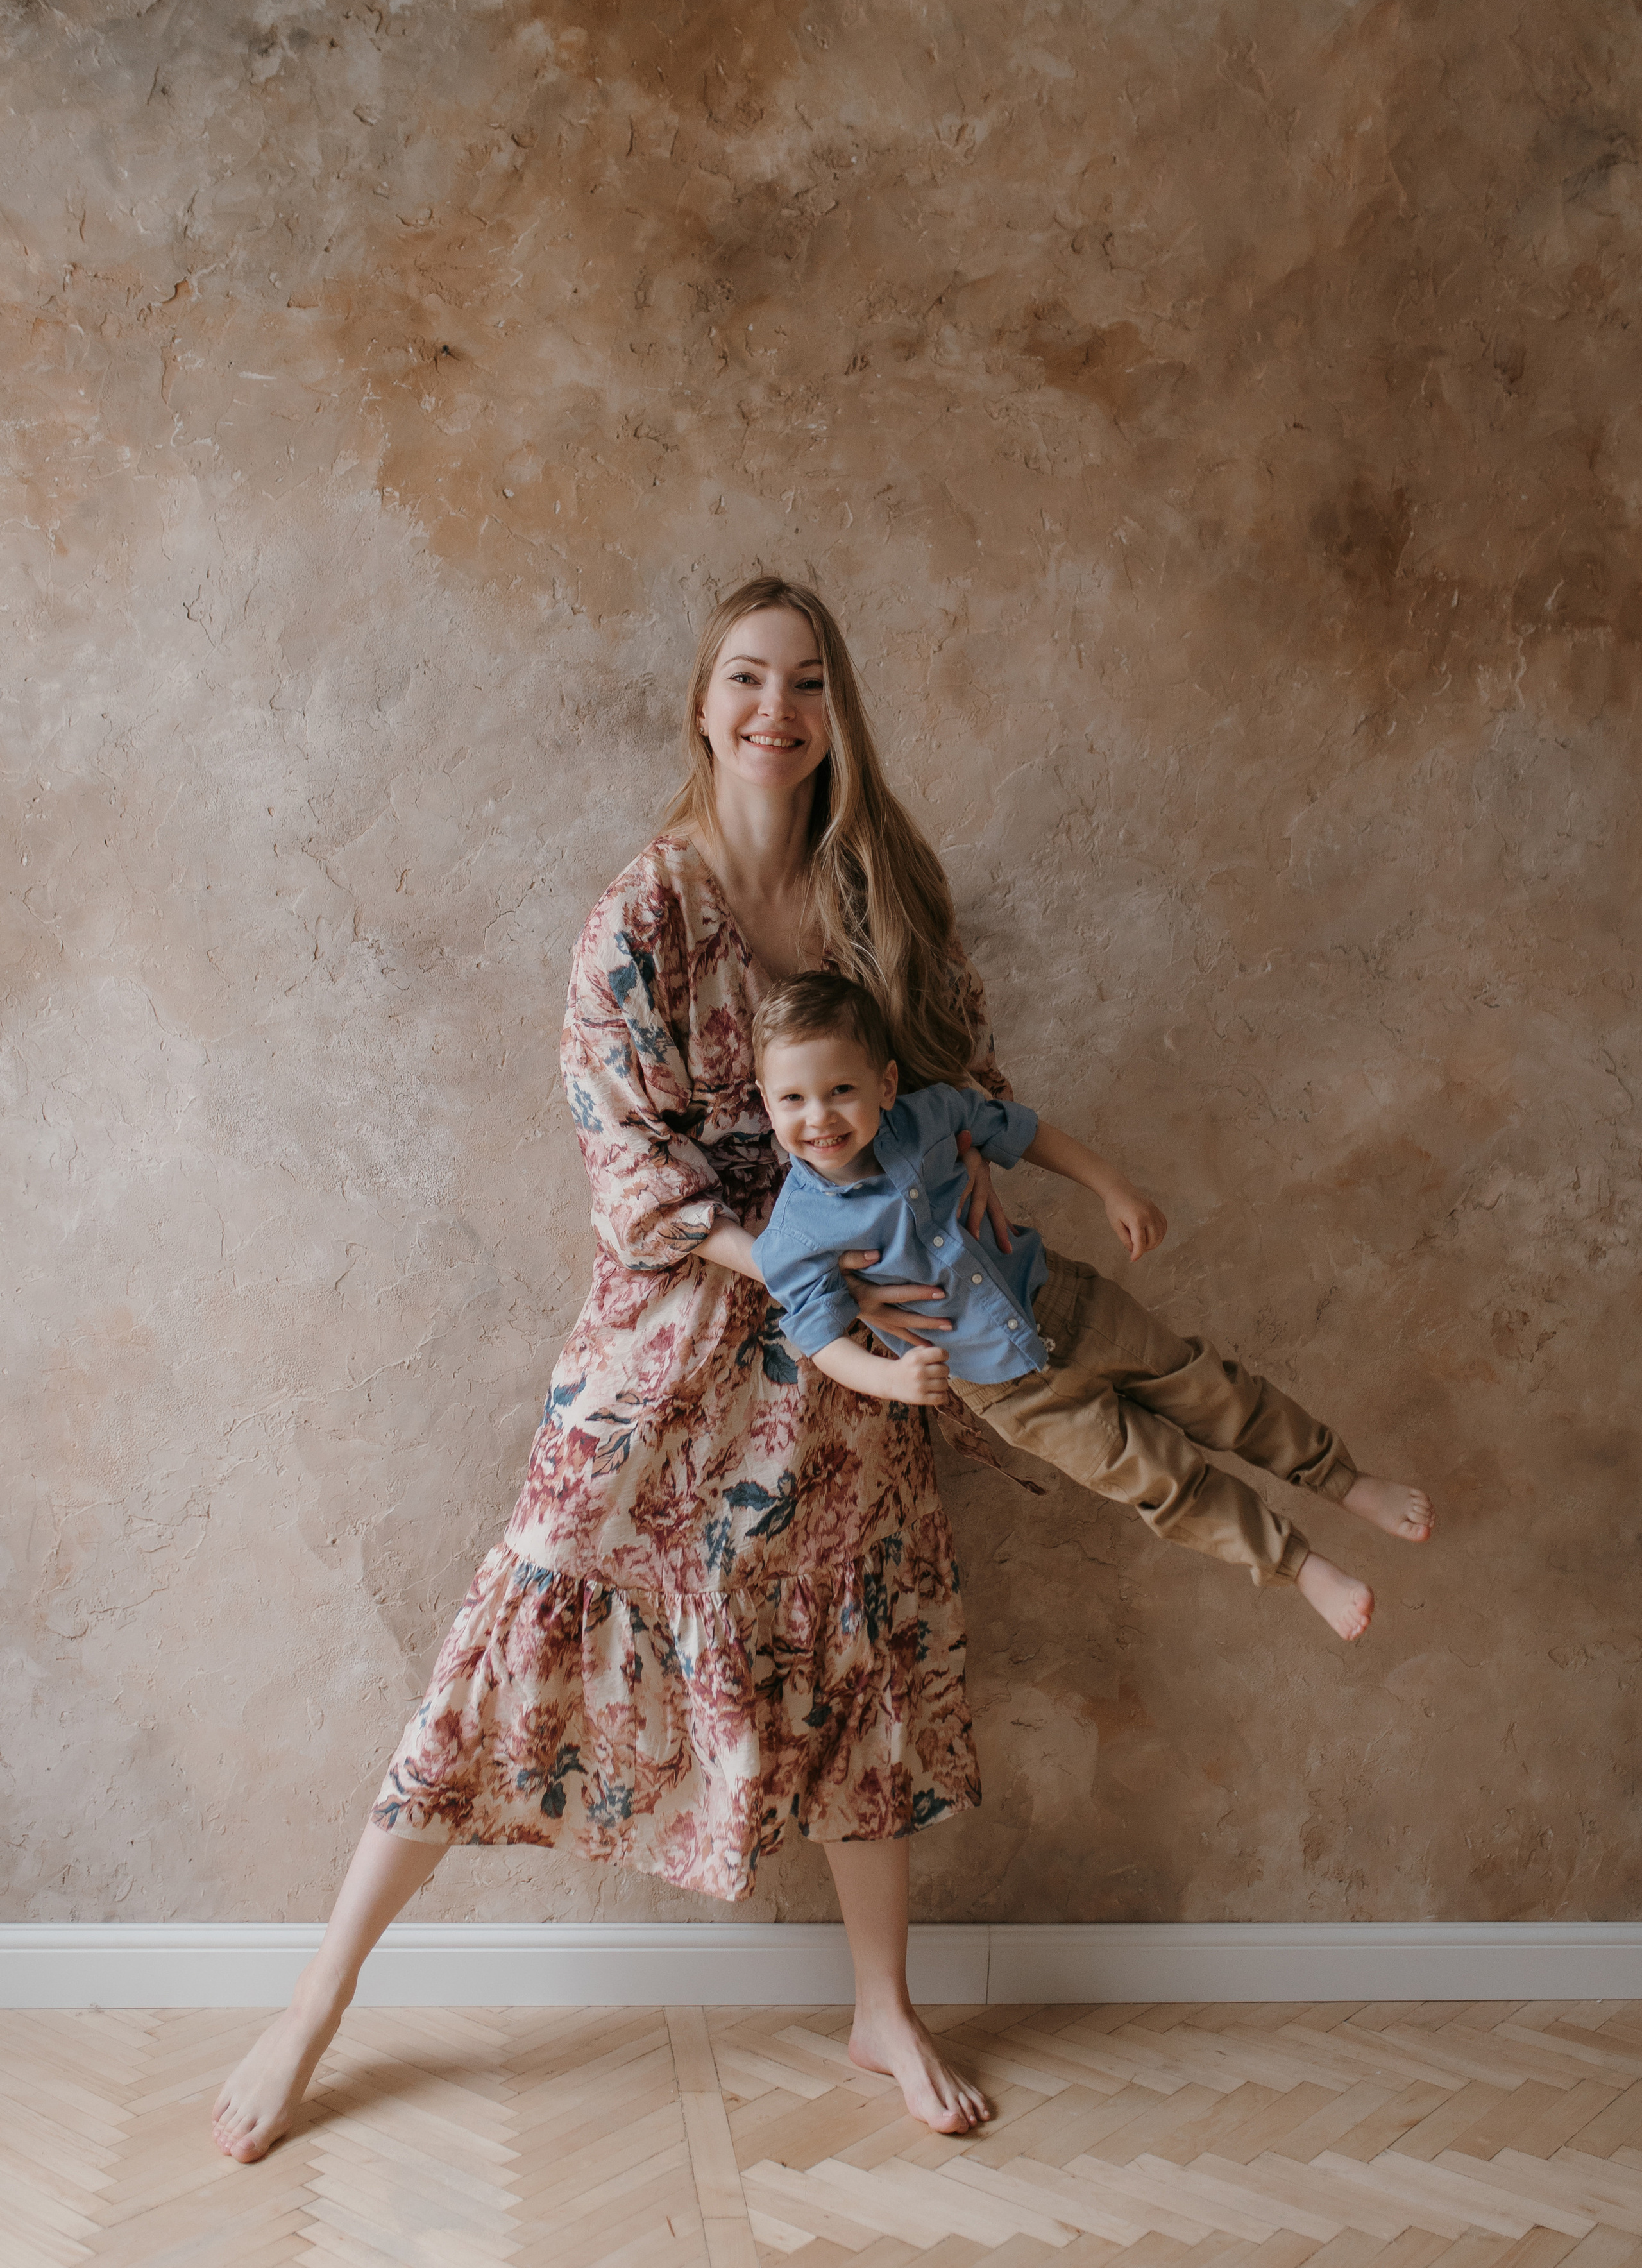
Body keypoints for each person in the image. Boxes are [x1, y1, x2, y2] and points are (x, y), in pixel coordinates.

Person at [212, 577, 1019, 2162]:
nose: (771, 709)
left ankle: (880, 2003)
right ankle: (314, 1994)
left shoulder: (883, 888)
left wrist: (954, 1204)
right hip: (686, 1328)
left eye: (801, 682)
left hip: (851, 1352)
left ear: (834, 709)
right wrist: (797, 1264)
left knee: (855, 1639)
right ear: (701, 703)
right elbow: (628, 1171)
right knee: (527, 1600)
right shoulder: (643, 907)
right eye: (742, 678)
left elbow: (956, 1071)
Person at [747, 971, 1434, 1640]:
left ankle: (1342, 1479)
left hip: (1070, 1304)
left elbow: (1020, 1132)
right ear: (767, 1103)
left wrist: (1112, 1186)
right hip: (1009, 1394)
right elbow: (822, 1337)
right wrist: (889, 1379)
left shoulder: (930, 1116)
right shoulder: (795, 1234)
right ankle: (1301, 1565)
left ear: (885, 1084)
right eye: (794, 1100)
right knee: (1161, 1480)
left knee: (1213, 1391)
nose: (820, 1117)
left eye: (841, 1090)